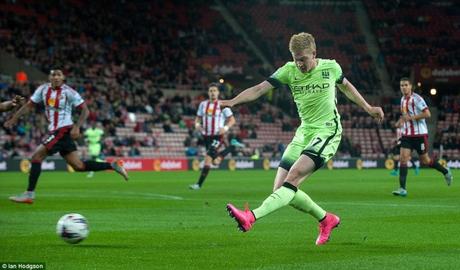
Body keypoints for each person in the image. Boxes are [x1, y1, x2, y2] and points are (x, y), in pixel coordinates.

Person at [222, 32, 384, 245]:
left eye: (303, 59)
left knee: (294, 176)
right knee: (280, 190)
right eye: (296, 59)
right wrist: (233, 101)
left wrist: (369, 108)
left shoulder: (330, 68)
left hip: (327, 131)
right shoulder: (288, 71)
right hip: (304, 132)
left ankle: (250, 217)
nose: (299, 64)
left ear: (314, 54)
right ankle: (327, 219)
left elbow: (346, 87)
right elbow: (259, 89)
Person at [4, 69, 129, 204]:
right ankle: (112, 165)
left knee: (36, 156)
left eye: (59, 75)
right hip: (59, 132)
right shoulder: (43, 90)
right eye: (54, 75)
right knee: (78, 166)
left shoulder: (69, 92)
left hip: (63, 130)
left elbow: (85, 110)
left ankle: (29, 194)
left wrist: (77, 126)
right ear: (49, 77)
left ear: (63, 78)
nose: (56, 77)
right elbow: (28, 106)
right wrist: (14, 118)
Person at [392, 78, 452, 197]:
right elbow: (405, 115)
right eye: (401, 85)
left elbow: (427, 114)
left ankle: (445, 172)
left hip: (419, 135)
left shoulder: (418, 99)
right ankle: (402, 189)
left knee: (425, 161)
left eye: (405, 85)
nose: (403, 87)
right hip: (407, 135)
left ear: (411, 86)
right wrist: (400, 121)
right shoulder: (402, 100)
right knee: (403, 159)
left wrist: (412, 118)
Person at [189, 83, 236, 190]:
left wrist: (225, 128)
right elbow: (198, 118)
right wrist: (197, 125)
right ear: (208, 92)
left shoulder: (223, 104)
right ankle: (232, 147)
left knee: (207, 159)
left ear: (218, 93)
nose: (213, 93)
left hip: (217, 136)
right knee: (215, 161)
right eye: (211, 91)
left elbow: (232, 120)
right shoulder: (203, 105)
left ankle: (198, 185)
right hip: (206, 137)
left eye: (215, 91)